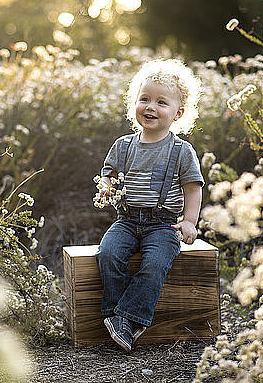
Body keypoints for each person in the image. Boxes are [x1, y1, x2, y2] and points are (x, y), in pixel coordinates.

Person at [96, 58, 204, 352]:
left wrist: (190, 222)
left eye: (161, 102)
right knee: (108, 253)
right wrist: (107, 189)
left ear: (178, 113)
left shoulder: (182, 151)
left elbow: (192, 189)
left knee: (155, 263)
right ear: (134, 104)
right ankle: (117, 318)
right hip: (127, 220)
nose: (150, 107)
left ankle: (128, 318)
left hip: (164, 224)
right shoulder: (123, 146)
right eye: (144, 99)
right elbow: (108, 175)